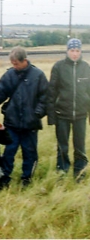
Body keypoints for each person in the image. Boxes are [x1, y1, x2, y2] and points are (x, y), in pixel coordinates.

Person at [0, 46, 48, 187]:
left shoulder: (38, 75)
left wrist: (37, 113)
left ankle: (27, 179)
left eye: (16, 63)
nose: (14, 66)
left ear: (24, 60)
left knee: (29, 153)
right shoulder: (9, 75)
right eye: (12, 63)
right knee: (9, 152)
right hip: (12, 123)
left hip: (30, 124)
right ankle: (4, 179)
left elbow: (46, 97)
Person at [47, 38, 90, 182]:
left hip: (81, 115)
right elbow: (52, 92)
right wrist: (51, 116)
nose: (75, 54)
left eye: (77, 50)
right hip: (62, 115)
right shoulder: (58, 67)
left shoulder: (86, 67)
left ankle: (80, 173)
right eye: (72, 50)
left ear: (80, 52)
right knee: (62, 147)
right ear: (67, 51)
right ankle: (62, 173)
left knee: (80, 146)